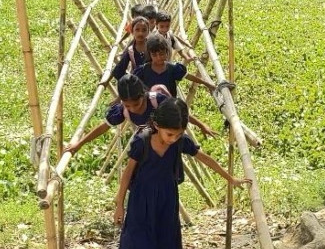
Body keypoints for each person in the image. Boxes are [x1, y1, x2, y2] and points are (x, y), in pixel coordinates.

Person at [114, 97, 250, 249]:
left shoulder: (179, 142)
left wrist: (230, 178)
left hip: (167, 200)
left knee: (163, 240)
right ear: (157, 125)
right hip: (142, 201)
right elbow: (127, 174)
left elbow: (204, 158)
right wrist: (119, 204)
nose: (173, 138)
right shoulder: (142, 141)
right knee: (139, 243)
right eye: (170, 134)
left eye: (178, 134)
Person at [64, 75, 215, 155]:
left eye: (136, 104)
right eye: (127, 105)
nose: (132, 109)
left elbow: (180, 114)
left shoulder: (158, 101)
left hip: (168, 140)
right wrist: (80, 144)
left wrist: (201, 125)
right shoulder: (122, 110)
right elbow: (103, 127)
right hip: (148, 145)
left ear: (144, 95)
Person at [134, 34, 214, 98]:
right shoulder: (143, 70)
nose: (158, 58)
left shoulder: (173, 69)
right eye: (154, 55)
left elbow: (188, 76)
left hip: (169, 108)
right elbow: (132, 84)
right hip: (150, 108)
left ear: (167, 52)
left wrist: (206, 83)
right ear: (149, 54)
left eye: (161, 54)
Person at [110, 17, 150, 82]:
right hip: (138, 83)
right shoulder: (130, 51)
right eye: (137, 30)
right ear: (132, 31)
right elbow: (119, 70)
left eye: (144, 30)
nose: (140, 33)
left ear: (148, 31)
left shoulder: (153, 46)